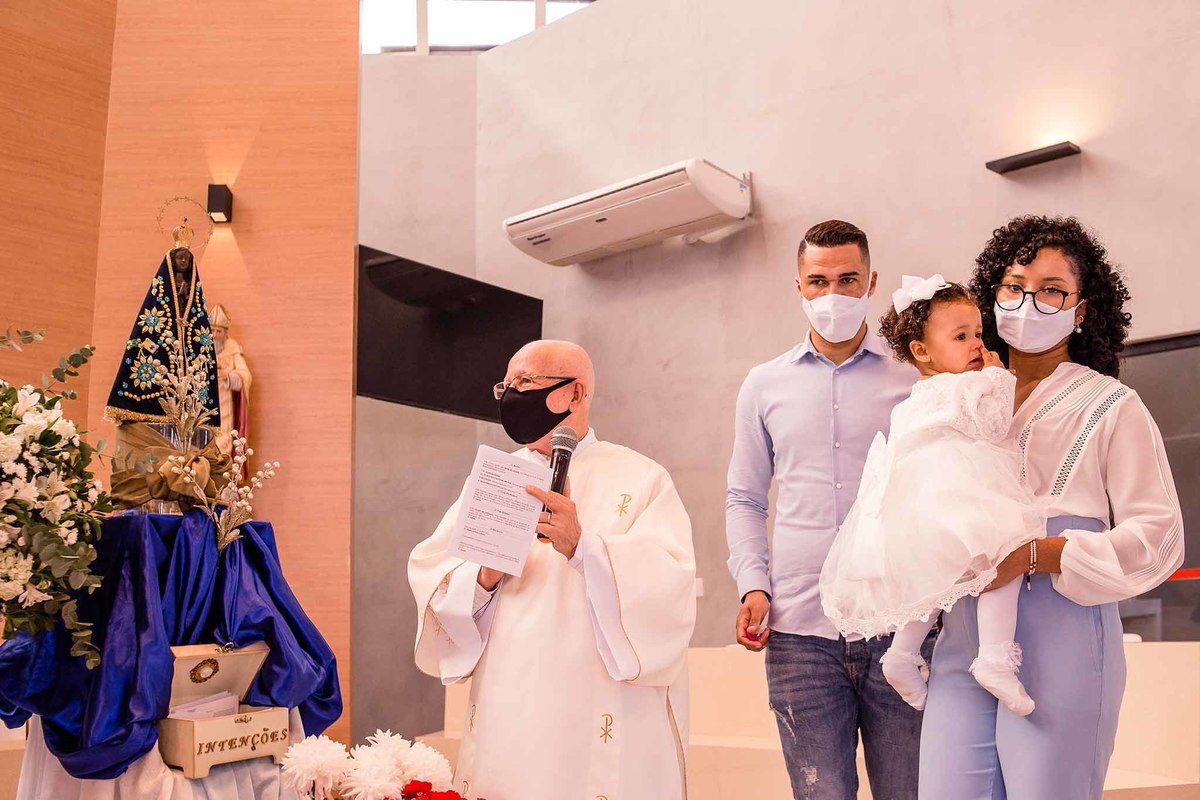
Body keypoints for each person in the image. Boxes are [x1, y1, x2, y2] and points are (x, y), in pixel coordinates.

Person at [919, 216, 1185, 800]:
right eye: (1014, 287)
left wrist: (1041, 553)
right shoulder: (961, 396)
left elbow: (1160, 537)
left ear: (1081, 309)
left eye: (1051, 291)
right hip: (962, 641)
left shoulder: (1110, 405)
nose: (1028, 303)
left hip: (1062, 641)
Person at [408, 340, 696, 800]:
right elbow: (433, 571)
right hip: (510, 697)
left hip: (598, 705)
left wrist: (583, 547)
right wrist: (482, 576)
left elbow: (669, 585)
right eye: (506, 385)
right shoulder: (493, 478)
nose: (512, 395)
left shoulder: (641, 478)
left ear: (576, 393)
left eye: (526, 382)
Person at [725, 220, 927, 799]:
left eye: (848, 279)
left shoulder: (914, 376)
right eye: (818, 281)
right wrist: (752, 584)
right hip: (799, 633)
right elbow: (744, 497)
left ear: (872, 282)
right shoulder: (763, 385)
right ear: (799, 286)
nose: (832, 293)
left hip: (898, 625)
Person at [820, 276, 1046, 718]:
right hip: (962, 495)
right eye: (961, 337)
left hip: (922, 508)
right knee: (1007, 555)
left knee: (935, 587)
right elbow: (994, 425)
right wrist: (999, 377)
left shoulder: (915, 398)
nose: (977, 344)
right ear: (922, 351)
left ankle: (901, 655)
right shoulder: (961, 387)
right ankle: (995, 656)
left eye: (978, 333)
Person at [209, 303, 252, 453]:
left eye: (219, 331)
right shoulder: (202, 348)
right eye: (212, 330)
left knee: (223, 445)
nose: (215, 335)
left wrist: (229, 376)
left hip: (224, 405)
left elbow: (245, 376)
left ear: (225, 332)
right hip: (204, 406)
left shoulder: (232, 347)